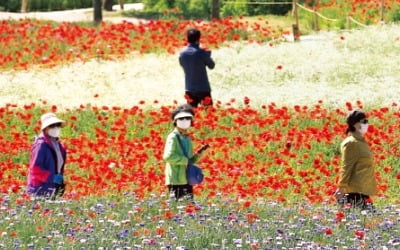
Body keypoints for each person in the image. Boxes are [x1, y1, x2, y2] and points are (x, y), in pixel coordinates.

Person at [163, 104, 208, 200]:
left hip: (186, 178)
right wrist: (185, 161)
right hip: (175, 179)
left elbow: (189, 160)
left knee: (189, 208)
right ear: (175, 121)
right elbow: (168, 156)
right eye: (181, 119)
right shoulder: (173, 137)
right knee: (177, 208)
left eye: (188, 119)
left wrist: (199, 154)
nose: (185, 121)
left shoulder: (186, 137)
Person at [334, 110, 378, 210]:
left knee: (370, 220)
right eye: (364, 121)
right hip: (354, 192)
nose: (367, 124)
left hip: (363, 190)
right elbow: (346, 165)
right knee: (367, 221)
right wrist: (341, 187)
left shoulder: (361, 142)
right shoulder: (351, 143)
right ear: (355, 124)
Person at [27, 113, 67, 198]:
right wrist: (52, 178)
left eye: (58, 125)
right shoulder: (41, 144)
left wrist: (60, 181)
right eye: (52, 125)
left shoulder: (59, 145)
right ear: (45, 128)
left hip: (53, 188)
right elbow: (35, 169)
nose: (56, 128)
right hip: (39, 190)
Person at [179, 28, 215, 107]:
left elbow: (182, 64)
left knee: (192, 113)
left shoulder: (182, 53)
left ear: (187, 38)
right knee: (208, 113)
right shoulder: (201, 52)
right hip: (203, 88)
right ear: (198, 38)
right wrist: (207, 54)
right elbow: (211, 66)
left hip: (189, 88)